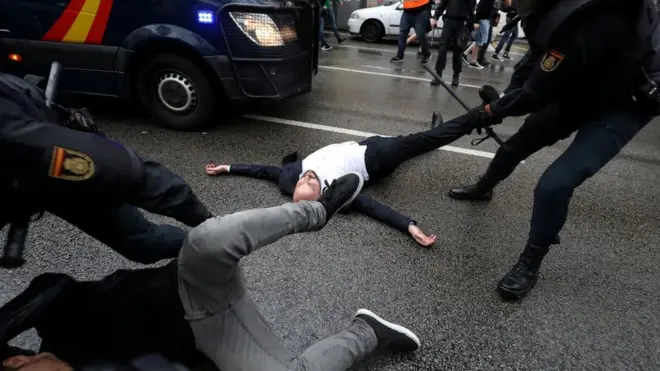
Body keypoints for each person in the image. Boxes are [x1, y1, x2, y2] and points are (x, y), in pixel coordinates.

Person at [0, 173, 423, 371]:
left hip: (186, 284)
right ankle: (367, 331)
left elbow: (50, 285)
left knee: (208, 238)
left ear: (19, 361)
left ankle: (316, 209)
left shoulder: (56, 324)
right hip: (211, 338)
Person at [448, 0, 658, 300]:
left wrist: (492, 111)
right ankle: (483, 188)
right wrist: (505, 96)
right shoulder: (549, 11)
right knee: (515, 147)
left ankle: (530, 263)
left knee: (553, 185)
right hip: (582, 89)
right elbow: (534, 62)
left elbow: (535, 94)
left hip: (624, 106)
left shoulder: (590, 16)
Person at [0, 72, 212, 265]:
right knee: (142, 244)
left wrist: (210, 227)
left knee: (143, 243)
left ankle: (203, 254)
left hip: (31, 160)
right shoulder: (18, 143)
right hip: (23, 174)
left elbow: (118, 169)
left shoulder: (16, 135)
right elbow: (118, 168)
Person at [204, 110, 502, 247]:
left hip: (363, 142)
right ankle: (480, 116)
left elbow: (262, 171)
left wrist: (227, 167)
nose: (307, 177)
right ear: (323, 193)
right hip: (374, 158)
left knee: (418, 140)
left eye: (302, 182)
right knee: (421, 143)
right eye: (311, 184)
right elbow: (373, 208)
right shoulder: (339, 193)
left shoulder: (288, 178)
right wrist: (410, 226)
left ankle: (433, 128)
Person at [430, 0, 477, 87]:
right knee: (442, 49)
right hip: (449, 21)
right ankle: (438, 75)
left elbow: (472, 9)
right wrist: (435, 17)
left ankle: (456, 76)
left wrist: (474, 22)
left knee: (458, 50)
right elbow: (442, 4)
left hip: (462, 22)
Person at [390, 0, 432, 64]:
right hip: (407, 11)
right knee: (402, 34)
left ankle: (427, 54)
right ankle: (400, 56)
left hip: (421, 11)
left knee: (420, 34)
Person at [463, 0, 497, 70]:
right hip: (483, 20)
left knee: (481, 40)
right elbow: (479, 8)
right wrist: (476, 21)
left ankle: (465, 53)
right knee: (479, 41)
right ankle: (473, 61)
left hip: (486, 19)